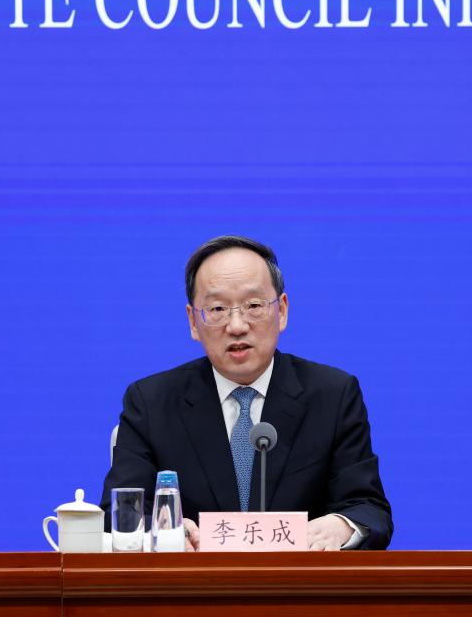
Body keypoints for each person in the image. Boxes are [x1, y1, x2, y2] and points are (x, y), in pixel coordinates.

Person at [99, 235, 392, 550]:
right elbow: (120, 515)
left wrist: (340, 526)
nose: (236, 325)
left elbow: (368, 508)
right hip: (192, 579)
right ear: (193, 322)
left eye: (253, 306)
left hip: (297, 580)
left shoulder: (333, 395)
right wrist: (164, 534)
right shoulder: (151, 402)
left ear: (282, 311)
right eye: (217, 308)